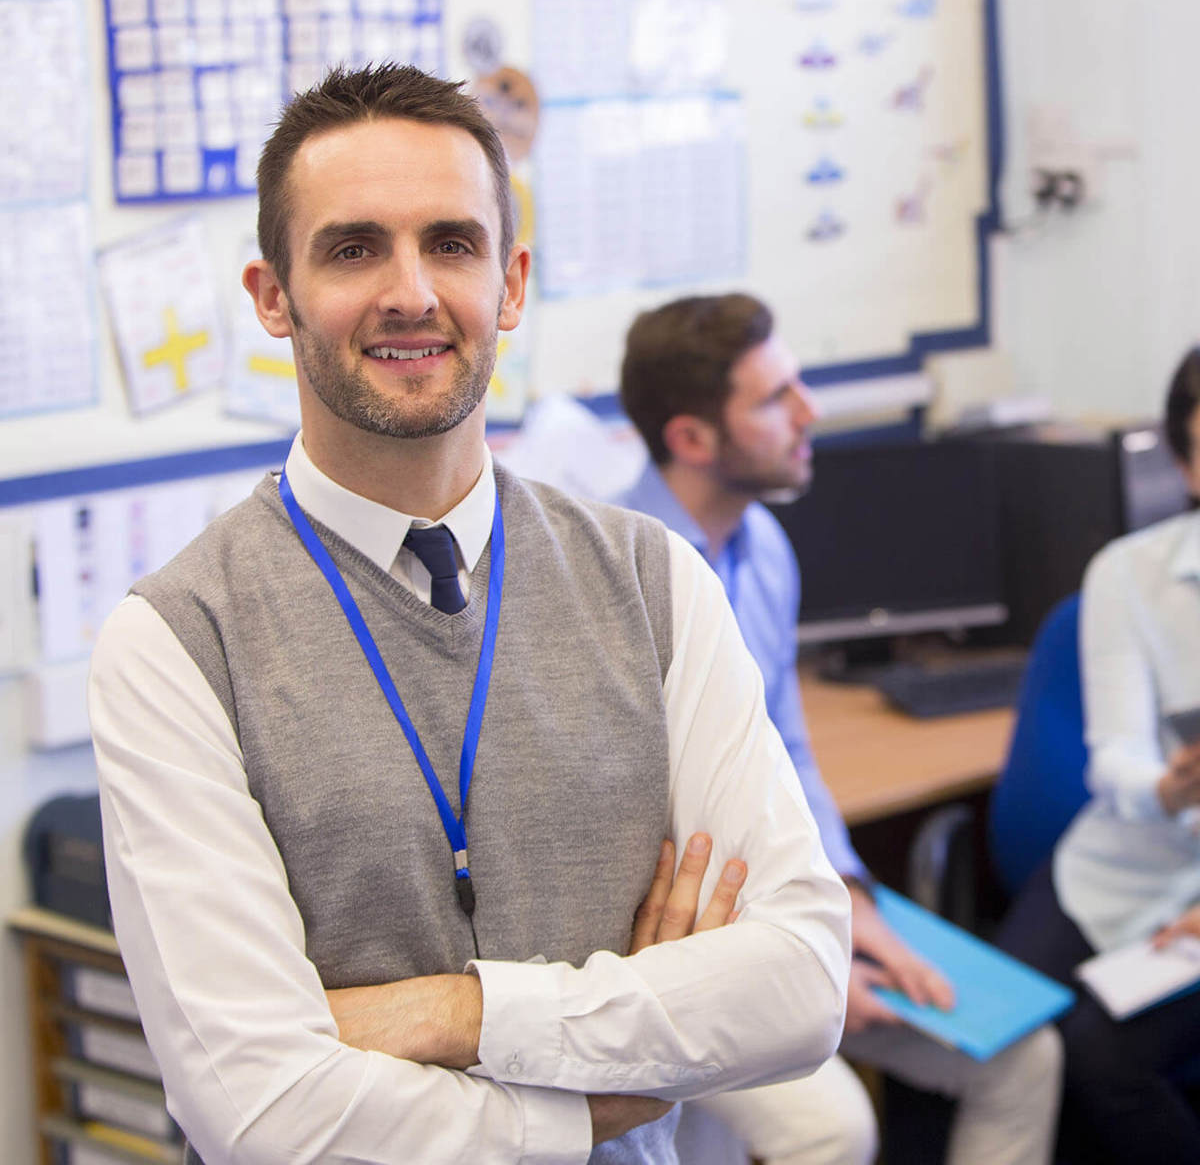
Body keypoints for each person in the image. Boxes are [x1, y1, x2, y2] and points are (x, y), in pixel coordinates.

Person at [87, 64, 852, 1165]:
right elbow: (258, 1111)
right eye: (353, 249)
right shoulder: (175, 642)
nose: (411, 292)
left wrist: (454, 1012)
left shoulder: (655, 581)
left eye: (452, 243)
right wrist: (582, 1103)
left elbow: (799, 984)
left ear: (511, 283)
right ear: (272, 295)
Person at [618, 293, 1063, 1165]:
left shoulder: (765, 548)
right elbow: (638, 836)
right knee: (835, 1130)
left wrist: (853, 903)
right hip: (680, 941)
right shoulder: (617, 573)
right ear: (693, 440)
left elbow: (789, 753)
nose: (809, 412)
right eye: (775, 398)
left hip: (790, 905)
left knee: (1024, 1057)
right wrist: (808, 958)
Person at [995, 347, 1200, 1163]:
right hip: (1115, 867)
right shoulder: (1129, 575)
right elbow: (1112, 758)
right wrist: (1168, 787)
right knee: (999, 1032)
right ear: (1186, 464)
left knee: (1103, 1058)